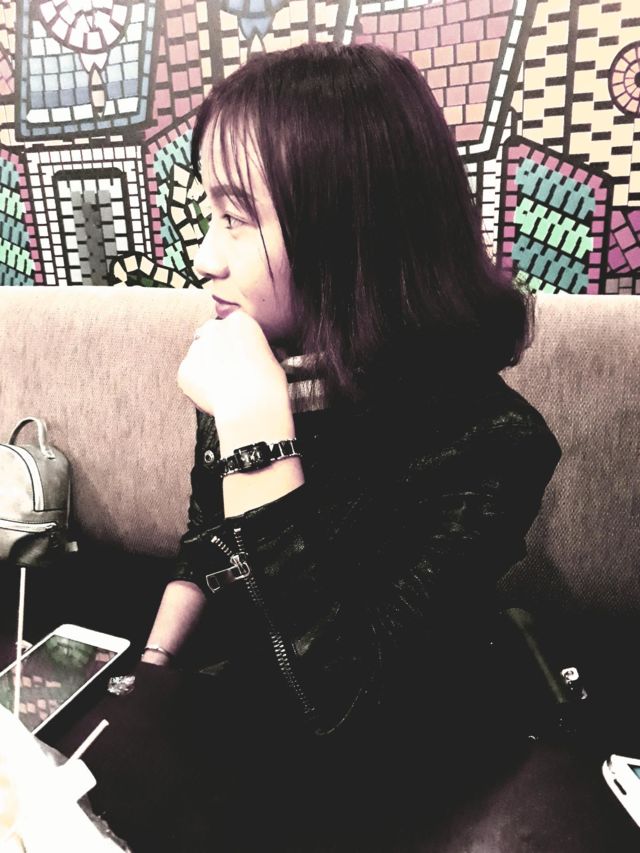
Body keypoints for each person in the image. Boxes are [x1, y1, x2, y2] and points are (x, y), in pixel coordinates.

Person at [139, 41, 562, 850]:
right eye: (209, 215)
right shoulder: (257, 365)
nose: (203, 257)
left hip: (398, 774)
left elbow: (346, 708)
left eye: (235, 218)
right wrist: (141, 680)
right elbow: (205, 548)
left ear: (350, 229)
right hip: (247, 738)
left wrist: (259, 435)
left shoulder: (492, 444)